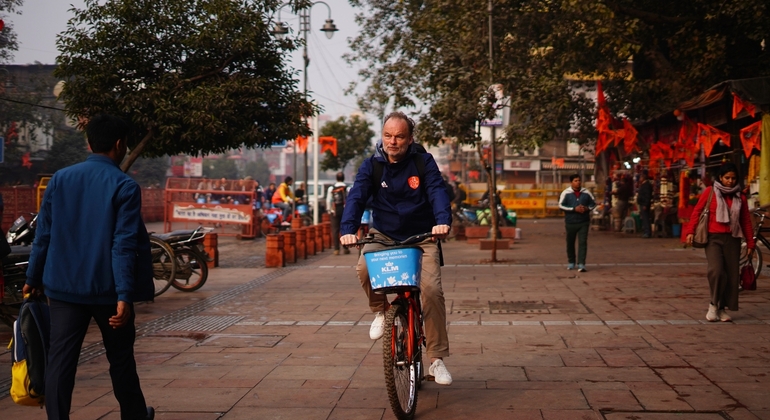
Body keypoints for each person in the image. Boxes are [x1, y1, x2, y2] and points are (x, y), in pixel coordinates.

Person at [23, 114, 155, 420]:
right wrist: (125, 295)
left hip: (64, 289)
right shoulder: (124, 186)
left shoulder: (60, 178)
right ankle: (134, 416)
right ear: (120, 145)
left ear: (88, 142)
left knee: (60, 361)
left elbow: (44, 233)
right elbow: (123, 244)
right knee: (120, 359)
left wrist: (32, 276)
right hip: (108, 292)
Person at [339, 111, 453, 385]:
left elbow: (437, 191)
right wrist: (347, 229)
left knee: (431, 291)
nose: (393, 141)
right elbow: (357, 196)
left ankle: (436, 359)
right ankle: (380, 310)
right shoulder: (372, 165)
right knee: (364, 268)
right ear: (383, 137)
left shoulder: (423, 162)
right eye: (388, 135)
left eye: (399, 136)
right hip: (384, 234)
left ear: (409, 139)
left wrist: (442, 222)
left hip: (423, 236)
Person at [685, 163, 755, 322]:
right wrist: (690, 231)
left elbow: (745, 221)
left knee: (731, 275)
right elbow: (697, 211)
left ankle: (722, 308)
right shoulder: (710, 192)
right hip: (713, 238)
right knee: (716, 271)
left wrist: (750, 243)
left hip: (733, 239)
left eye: (733, 178)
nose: (730, 181)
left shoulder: (740, 196)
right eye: (727, 178)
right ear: (720, 178)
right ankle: (713, 304)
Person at [558, 174, 596, 272]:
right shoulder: (566, 193)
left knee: (583, 242)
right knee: (570, 243)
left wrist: (587, 208)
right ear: (571, 182)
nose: (578, 182)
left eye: (579, 180)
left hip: (583, 222)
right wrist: (574, 209)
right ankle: (571, 262)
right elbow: (561, 206)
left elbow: (593, 204)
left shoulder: (586, 192)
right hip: (570, 222)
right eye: (575, 180)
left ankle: (581, 264)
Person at [326, 172, 349, 255]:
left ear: (336, 178)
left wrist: (329, 210)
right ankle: (346, 247)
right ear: (343, 178)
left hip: (334, 211)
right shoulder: (347, 188)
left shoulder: (331, 188)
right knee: (344, 229)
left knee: (335, 230)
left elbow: (328, 200)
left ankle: (336, 249)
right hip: (344, 211)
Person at [637, 172, 653, 238]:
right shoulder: (643, 185)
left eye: (641, 177)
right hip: (642, 203)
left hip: (644, 204)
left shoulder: (646, 185)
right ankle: (646, 231)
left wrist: (645, 204)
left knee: (646, 218)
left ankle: (647, 232)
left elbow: (647, 196)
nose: (640, 179)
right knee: (644, 218)